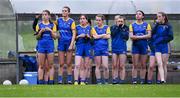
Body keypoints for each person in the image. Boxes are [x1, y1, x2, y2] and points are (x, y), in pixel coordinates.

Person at [129, 10, 151, 84]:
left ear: (143, 16)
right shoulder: (132, 25)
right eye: (136, 14)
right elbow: (131, 36)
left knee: (143, 65)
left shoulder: (147, 25)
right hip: (135, 47)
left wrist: (138, 37)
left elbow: (149, 35)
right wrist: (142, 37)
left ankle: (142, 81)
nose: (138, 15)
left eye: (139, 14)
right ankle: (134, 80)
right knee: (135, 65)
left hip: (144, 46)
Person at [150, 12, 173, 83]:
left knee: (164, 64)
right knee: (159, 63)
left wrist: (162, 39)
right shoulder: (156, 25)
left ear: (164, 17)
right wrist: (156, 24)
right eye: (157, 17)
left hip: (164, 46)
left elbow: (171, 36)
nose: (158, 18)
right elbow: (152, 33)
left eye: (159, 16)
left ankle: (164, 79)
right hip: (157, 47)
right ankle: (162, 79)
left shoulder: (168, 26)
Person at [35, 10, 57, 84]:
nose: (44, 16)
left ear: (49, 16)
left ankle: (51, 82)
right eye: (43, 15)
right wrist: (41, 32)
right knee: (41, 66)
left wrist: (50, 30)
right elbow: (37, 37)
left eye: (46, 14)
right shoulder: (39, 25)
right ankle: (41, 82)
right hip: (41, 47)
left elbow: (55, 37)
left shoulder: (53, 25)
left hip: (50, 46)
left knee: (50, 65)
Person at [56, 6, 76, 84]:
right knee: (61, 63)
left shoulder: (71, 21)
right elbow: (54, 29)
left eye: (65, 11)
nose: (64, 12)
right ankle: (60, 80)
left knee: (68, 63)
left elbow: (74, 33)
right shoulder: (58, 20)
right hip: (61, 43)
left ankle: (70, 80)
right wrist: (56, 34)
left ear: (68, 12)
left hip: (69, 43)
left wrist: (71, 44)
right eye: (63, 11)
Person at [74, 15, 93, 85]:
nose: (82, 20)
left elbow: (93, 40)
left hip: (87, 46)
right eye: (81, 19)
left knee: (86, 65)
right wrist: (79, 36)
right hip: (79, 46)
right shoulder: (77, 27)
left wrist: (88, 36)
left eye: (83, 18)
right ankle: (76, 81)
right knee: (77, 64)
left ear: (87, 20)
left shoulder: (90, 28)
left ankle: (83, 81)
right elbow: (74, 38)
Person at [92, 14, 111, 84]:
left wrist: (99, 36)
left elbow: (108, 36)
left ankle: (106, 81)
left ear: (102, 21)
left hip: (104, 49)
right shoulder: (94, 28)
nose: (98, 21)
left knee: (105, 66)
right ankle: (99, 81)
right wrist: (103, 35)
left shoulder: (106, 27)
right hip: (97, 48)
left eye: (99, 20)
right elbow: (95, 37)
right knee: (98, 66)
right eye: (96, 20)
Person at [110, 15, 129, 84]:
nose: (120, 22)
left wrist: (121, 29)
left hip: (122, 48)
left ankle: (122, 80)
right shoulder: (113, 27)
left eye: (121, 21)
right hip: (115, 48)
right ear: (116, 21)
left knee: (122, 65)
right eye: (119, 21)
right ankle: (115, 79)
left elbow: (126, 37)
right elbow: (112, 35)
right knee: (114, 65)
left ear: (123, 22)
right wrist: (118, 27)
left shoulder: (126, 28)